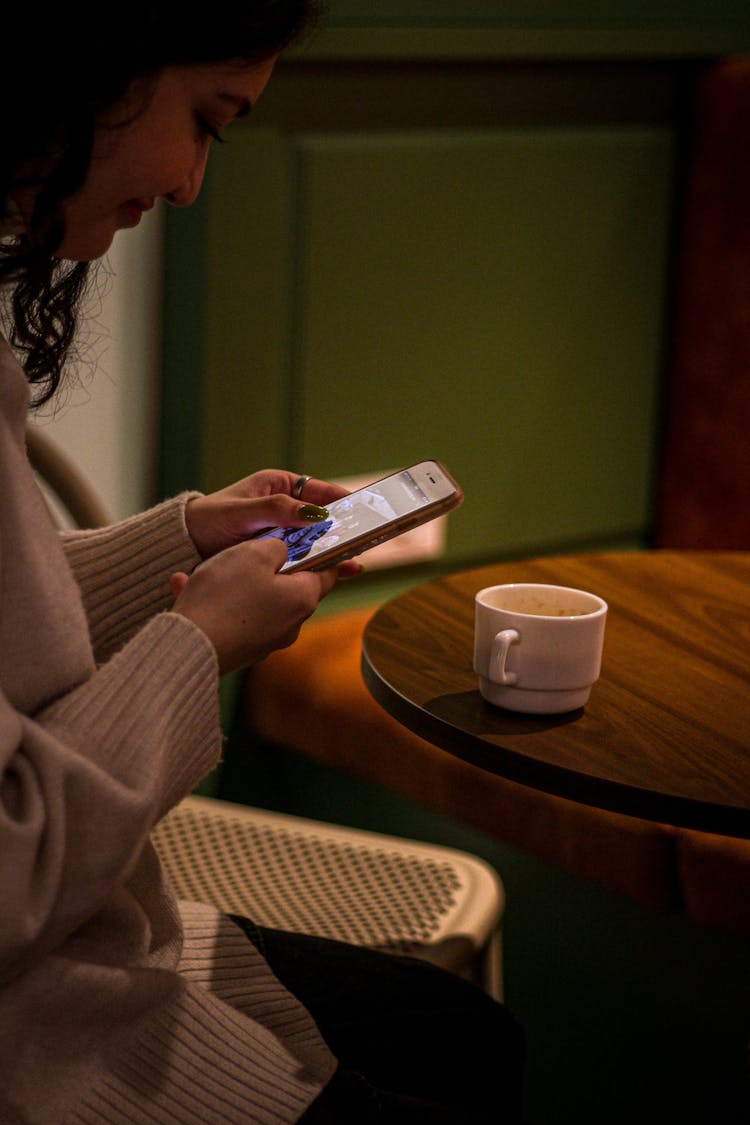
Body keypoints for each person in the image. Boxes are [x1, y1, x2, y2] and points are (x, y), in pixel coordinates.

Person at [0, 4, 525, 1122]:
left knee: (466, 1035)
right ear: (81, 71)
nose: (191, 182)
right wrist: (199, 645)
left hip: (91, 935)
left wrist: (181, 542)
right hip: (43, 1027)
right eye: (207, 120)